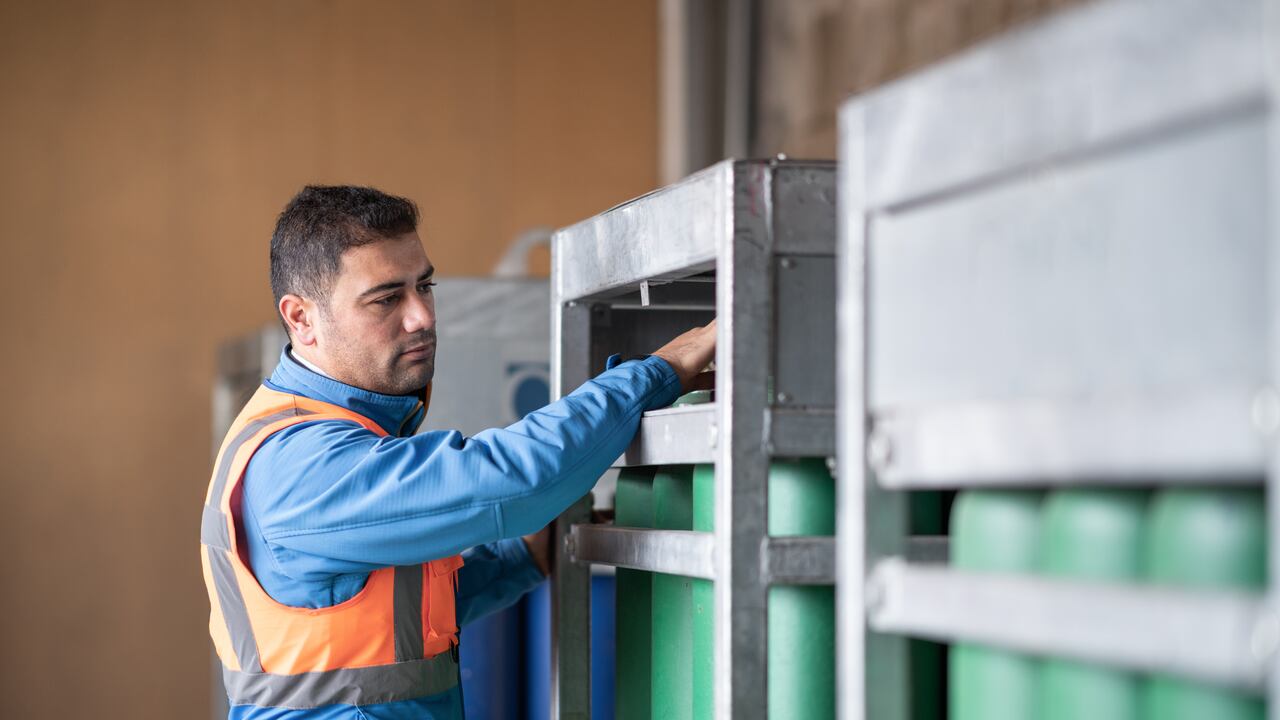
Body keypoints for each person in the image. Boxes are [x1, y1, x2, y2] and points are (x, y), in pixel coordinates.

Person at [200, 185, 716, 719]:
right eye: (386, 298)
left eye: (425, 285)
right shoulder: (300, 462)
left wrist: (526, 555)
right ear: (301, 318)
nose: (422, 315)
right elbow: (513, 482)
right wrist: (658, 371)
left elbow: (389, 621)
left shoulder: (340, 430)